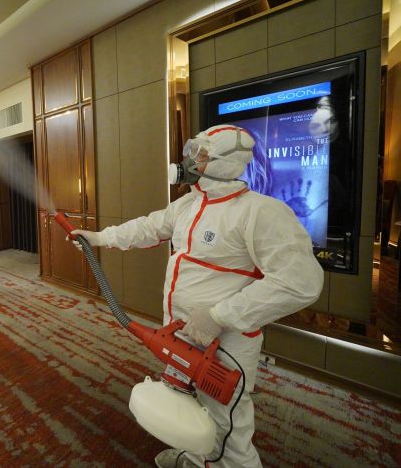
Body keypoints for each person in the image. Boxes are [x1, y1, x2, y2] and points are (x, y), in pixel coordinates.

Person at [70, 124, 323, 468]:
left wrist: (220, 316)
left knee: (227, 427)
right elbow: (148, 227)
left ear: (226, 161)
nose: (190, 159)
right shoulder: (188, 204)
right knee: (189, 407)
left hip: (225, 344)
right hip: (182, 333)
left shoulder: (260, 212)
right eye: (192, 151)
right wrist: (99, 238)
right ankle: (194, 458)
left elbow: (301, 281)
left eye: (201, 154)